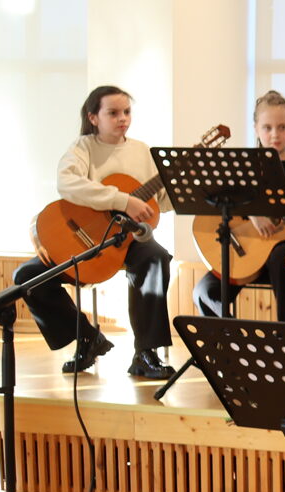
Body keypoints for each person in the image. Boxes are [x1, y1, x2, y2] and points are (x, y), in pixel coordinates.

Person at [16, 85, 177, 379]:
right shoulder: (83, 148)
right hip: (86, 239)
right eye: (113, 113)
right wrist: (121, 200)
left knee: (155, 257)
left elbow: (159, 202)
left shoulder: (142, 151)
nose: (122, 118)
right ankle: (87, 337)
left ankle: (145, 353)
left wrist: (180, 189)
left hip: (130, 239)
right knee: (26, 277)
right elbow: (67, 183)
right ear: (93, 117)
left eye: (126, 112)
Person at [193, 90, 285, 321]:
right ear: (255, 129)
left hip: (283, 261)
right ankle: (236, 338)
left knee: (281, 256)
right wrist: (252, 213)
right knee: (204, 292)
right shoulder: (243, 168)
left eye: (282, 127)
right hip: (246, 254)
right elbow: (218, 202)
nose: (275, 134)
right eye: (267, 127)